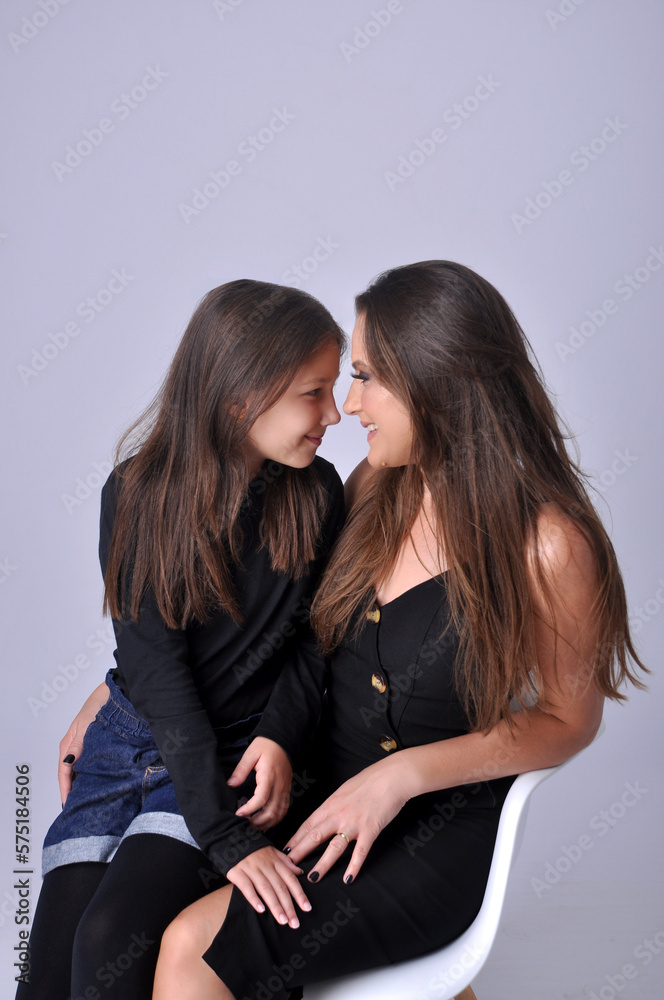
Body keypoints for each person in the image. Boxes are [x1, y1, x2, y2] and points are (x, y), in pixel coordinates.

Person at [152, 260, 648, 1000]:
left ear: (438, 381)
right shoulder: (373, 487)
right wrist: (115, 695)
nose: (348, 406)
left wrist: (399, 777)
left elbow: (567, 722)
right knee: (133, 908)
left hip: (432, 837)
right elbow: (272, 629)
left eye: (367, 377)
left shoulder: (549, 545)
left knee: (194, 947)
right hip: (320, 798)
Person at [17, 279, 346, 999]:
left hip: (223, 760)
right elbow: (155, 670)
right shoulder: (135, 493)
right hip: (128, 746)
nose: (335, 414)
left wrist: (281, 740)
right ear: (240, 395)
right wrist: (109, 700)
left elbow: (315, 641)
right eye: (313, 393)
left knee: (111, 939)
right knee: (48, 969)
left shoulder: (317, 494)